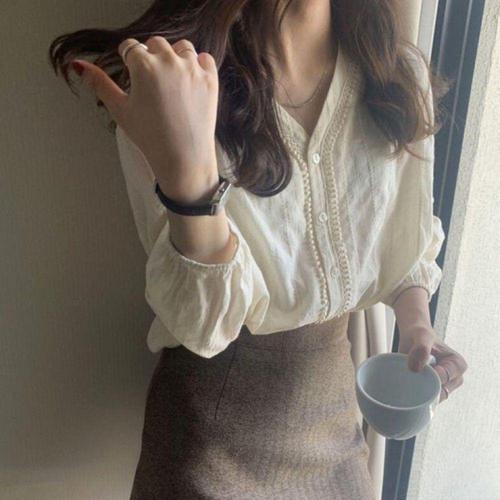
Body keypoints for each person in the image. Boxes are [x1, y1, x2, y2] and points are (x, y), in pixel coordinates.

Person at [49, 0, 469, 498]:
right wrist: (191, 185)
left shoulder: (395, 71)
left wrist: (417, 327)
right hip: (212, 446)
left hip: (337, 423)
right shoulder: (172, 85)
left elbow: (406, 233)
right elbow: (203, 324)